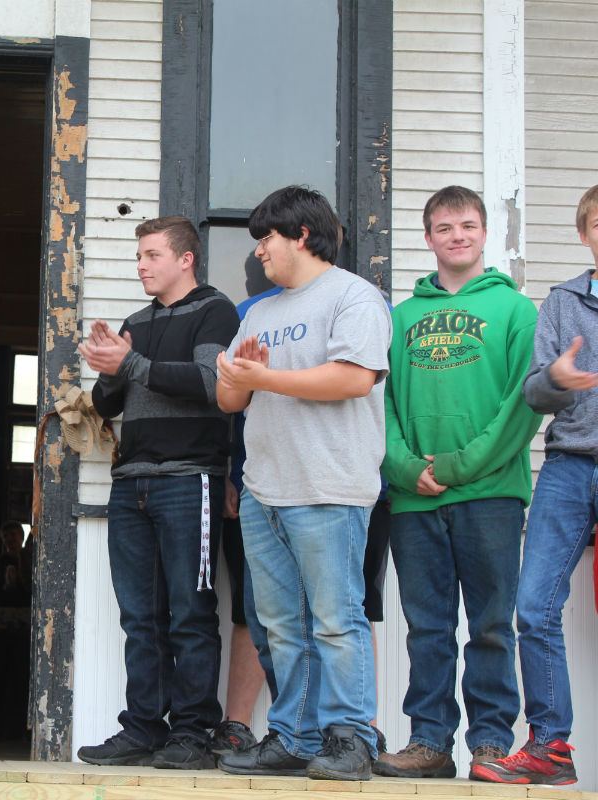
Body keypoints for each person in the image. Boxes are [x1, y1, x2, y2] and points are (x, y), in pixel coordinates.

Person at [215, 186, 390, 781]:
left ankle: (351, 739)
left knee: (337, 619)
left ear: (302, 238)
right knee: (281, 624)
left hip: (330, 486)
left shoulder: (354, 297)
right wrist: (238, 375)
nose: (260, 251)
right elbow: (228, 399)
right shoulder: (258, 311)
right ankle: (293, 736)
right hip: (267, 490)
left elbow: (353, 379)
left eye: (266, 239)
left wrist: (265, 374)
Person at [376, 186, 541, 781]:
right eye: (445, 228)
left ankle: (492, 744)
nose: (457, 236)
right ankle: (429, 742)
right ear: (428, 238)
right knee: (428, 628)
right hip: (413, 500)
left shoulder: (517, 311)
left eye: (467, 225)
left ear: (484, 232)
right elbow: (382, 405)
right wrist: (401, 467)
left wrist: (455, 467)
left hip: (490, 493)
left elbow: (524, 404)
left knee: (492, 624)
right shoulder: (401, 318)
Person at [77, 216, 239, 769]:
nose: (141, 265)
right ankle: (142, 728)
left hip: (190, 480)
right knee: (139, 617)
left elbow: (211, 385)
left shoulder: (216, 310)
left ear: (185, 258)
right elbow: (107, 405)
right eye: (139, 256)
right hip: (132, 485)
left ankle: (192, 733)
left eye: (150, 255)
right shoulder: (135, 322)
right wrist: (107, 369)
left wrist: (131, 363)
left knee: (190, 614)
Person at [471, 185, 598, 786]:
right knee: (534, 607)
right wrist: (557, 377)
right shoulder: (563, 302)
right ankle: (550, 747)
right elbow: (532, 392)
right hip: (570, 465)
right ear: (584, 234)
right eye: (597, 224)